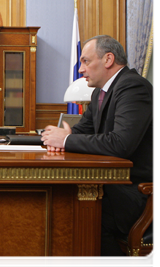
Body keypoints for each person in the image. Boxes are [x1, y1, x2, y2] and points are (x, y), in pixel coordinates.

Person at [41, 35, 157, 267]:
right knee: (67, 199)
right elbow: (79, 133)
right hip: (115, 184)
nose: (81, 69)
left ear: (108, 59)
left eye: (85, 61)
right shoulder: (100, 93)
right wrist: (54, 137)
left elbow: (120, 144)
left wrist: (66, 140)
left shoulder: (132, 87)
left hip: (139, 191)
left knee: (79, 209)